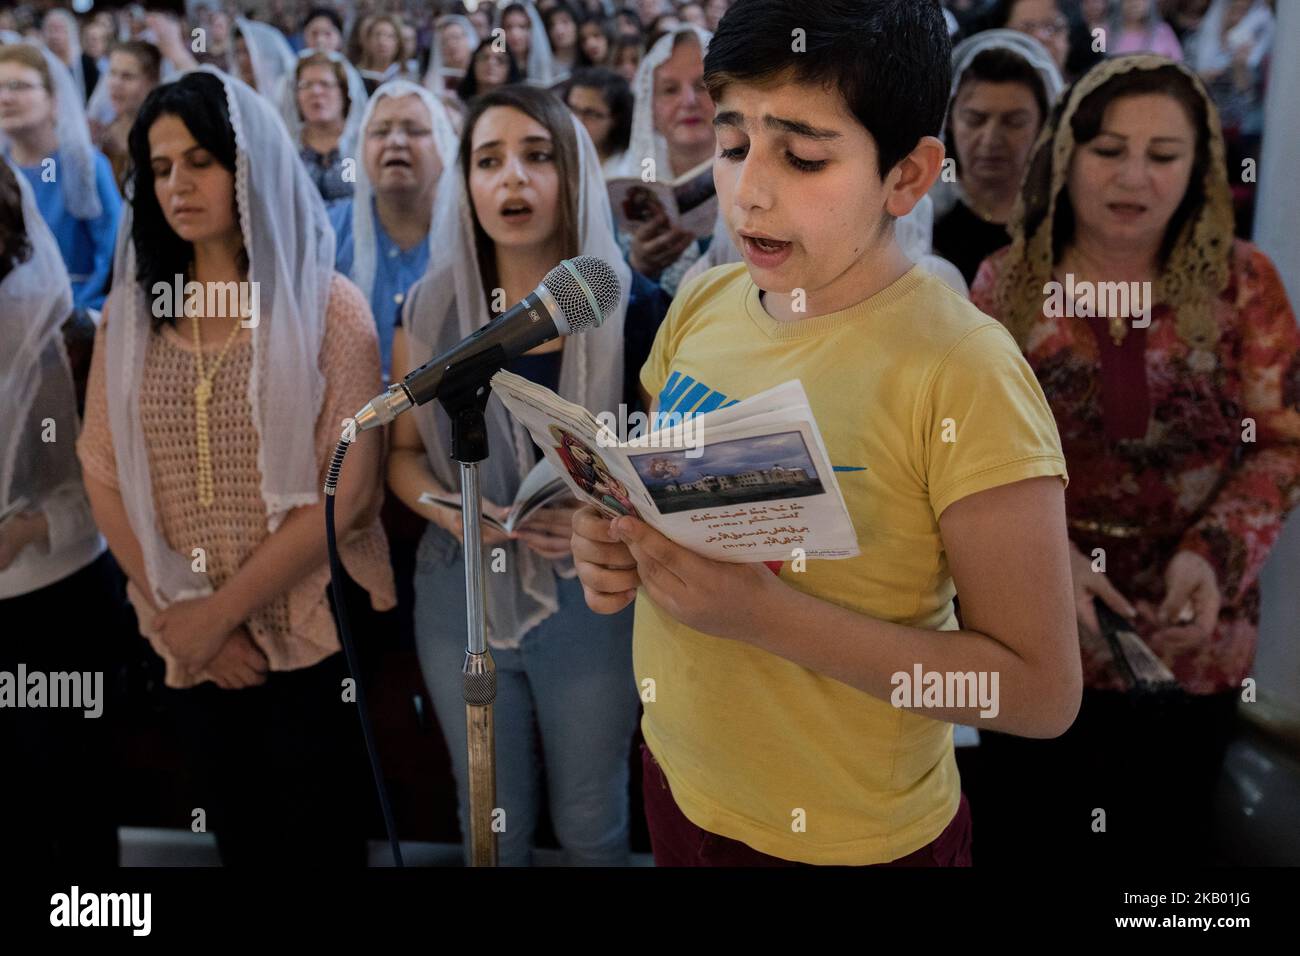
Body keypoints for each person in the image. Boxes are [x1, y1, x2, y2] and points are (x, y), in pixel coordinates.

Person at [572, 0, 1080, 867]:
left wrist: (771, 620)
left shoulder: (961, 369)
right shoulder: (704, 304)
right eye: (733, 146)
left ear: (908, 177)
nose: (751, 190)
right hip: (683, 782)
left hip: (852, 839)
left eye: (804, 156)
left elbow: (1038, 691)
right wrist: (615, 543)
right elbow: (669, 503)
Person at [969, 55, 1300, 864]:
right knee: (1024, 834)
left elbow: (1280, 444)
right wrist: (1053, 560)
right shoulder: (1006, 287)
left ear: (1199, 170)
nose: (1134, 178)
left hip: (1195, 636)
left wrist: (1212, 559)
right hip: (1033, 627)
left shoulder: (1245, 286)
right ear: (1066, 155)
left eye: (1164, 156)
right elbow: (966, 464)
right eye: (1109, 149)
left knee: (1164, 850)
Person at [76, 67, 395, 867]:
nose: (177, 184)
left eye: (200, 161)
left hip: (314, 634)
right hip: (187, 637)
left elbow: (348, 494)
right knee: (239, 842)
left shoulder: (329, 307)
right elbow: (102, 470)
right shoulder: (130, 318)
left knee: (321, 845)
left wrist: (220, 617)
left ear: (248, 165)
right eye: (159, 169)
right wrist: (176, 616)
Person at [387, 84, 668, 866]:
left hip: (591, 588)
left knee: (592, 814)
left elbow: (662, 482)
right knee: (487, 813)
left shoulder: (640, 310)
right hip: (459, 580)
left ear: (573, 174)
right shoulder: (429, 309)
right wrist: (447, 507)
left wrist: (601, 518)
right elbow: (404, 458)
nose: (512, 178)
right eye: (488, 160)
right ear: (466, 186)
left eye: (537, 156)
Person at [0, 158, 122, 869]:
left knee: (75, 805)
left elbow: (109, 483)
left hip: (56, 602)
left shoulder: (68, 337)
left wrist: (26, 531)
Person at [331, 79, 460, 379]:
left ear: (444, 148)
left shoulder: (470, 237)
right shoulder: (327, 233)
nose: (396, 141)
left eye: (414, 130)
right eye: (380, 131)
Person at [932, 29, 1063, 285]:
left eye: (1014, 122)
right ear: (949, 121)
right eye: (975, 120)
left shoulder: (1062, 216)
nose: (991, 139)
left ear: (1042, 124)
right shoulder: (925, 216)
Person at [0, 42, 121, 312]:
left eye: (19, 86)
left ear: (54, 100)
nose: (5, 98)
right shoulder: (3, 169)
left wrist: (77, 309)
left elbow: (112, 251)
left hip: (79, 313)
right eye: (0, 87)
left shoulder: (85, 165)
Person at [617, 24, 716, 296]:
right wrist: (639, 266)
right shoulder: (624, 180)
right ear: (650, 106)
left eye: (702, 85)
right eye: (670, 89)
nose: (688, 101)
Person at [280, 49, 368, 205]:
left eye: (325, 84)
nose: (316, 92)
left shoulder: (358, 144)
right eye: (306, 85)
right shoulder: (287, 146)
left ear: (344, 92)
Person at [93, 40, 162, 194]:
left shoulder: (161, 138)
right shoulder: (101, 135)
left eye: (127, 76)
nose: (116, 84)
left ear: (152, 81)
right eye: (112, 73)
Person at [565, 66, 632, 176]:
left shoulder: (630, 166)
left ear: (616, 119)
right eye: (573, 110)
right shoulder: (559, 157)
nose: (577, 122)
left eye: (590, 114)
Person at [498, 1, 560, 87]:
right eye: (508, 27)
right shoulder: (494, 69)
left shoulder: (548, 66)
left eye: (522, 27)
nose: (515, 34)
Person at [229, 16, 295, 96]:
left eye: (247, 51)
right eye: (237, 52)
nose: (241, 59)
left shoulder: (286, 94)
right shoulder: (236, 96)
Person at [42, 8, 96, 104]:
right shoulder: (41, 60)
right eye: (50, 29)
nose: (55, 36)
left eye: (59, 30)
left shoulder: (85, 62)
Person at [422, 14, 479, 95]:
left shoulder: (480, 75)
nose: (451, 44)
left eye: (456, 37)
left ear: (469, 39)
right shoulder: (432, 81)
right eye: (444, 41)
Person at [1109, 0, 1185, 59]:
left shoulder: (1164, 31)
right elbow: (1097, 65)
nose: (1134, 4)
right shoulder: (1102, 32)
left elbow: (1179, 65)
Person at [457, 38, 524, 103]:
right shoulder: (456, 105)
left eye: (500, 59)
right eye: (484, 57)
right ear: (473, 63)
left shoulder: (516, 108)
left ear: (510, 69)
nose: (491, 63)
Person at [357, 13, 407, 94]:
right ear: (368, 41)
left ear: (398, 43)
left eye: (389, 36)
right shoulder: (356, 78)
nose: (382, 42)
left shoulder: (407, 76)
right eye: (377, 35)